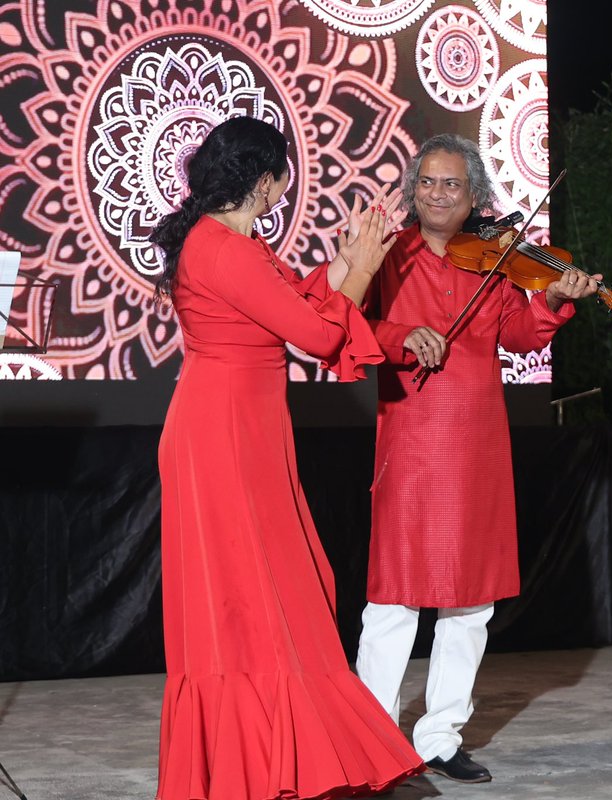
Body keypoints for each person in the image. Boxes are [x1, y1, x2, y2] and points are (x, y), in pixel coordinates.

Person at [150, 116, 424, 800]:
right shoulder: (224, 250)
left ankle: (275, 759)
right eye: (281, 179)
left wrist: (349, 261)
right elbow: (312, 331)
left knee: (275, 591)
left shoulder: (236, 243)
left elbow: (302, 294)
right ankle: (254, 763)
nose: (282, 191)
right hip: (222, 437)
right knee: (247, 599)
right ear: (263, 179)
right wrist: (362, 267)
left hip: (243, 430)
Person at [354, 133, 600, 783]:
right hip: (410, 440)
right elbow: (348, 326)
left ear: (475, 198)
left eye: (452, 185)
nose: (437, 194)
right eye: (428, 183)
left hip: (477, 446)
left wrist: (550, 301)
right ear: (412, 191)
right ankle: (374, 738)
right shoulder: (386, 253)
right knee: (394, 597)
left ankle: (439, 736)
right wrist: (405, 336)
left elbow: (519, 336)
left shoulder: (494, 261)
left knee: (471, 602)